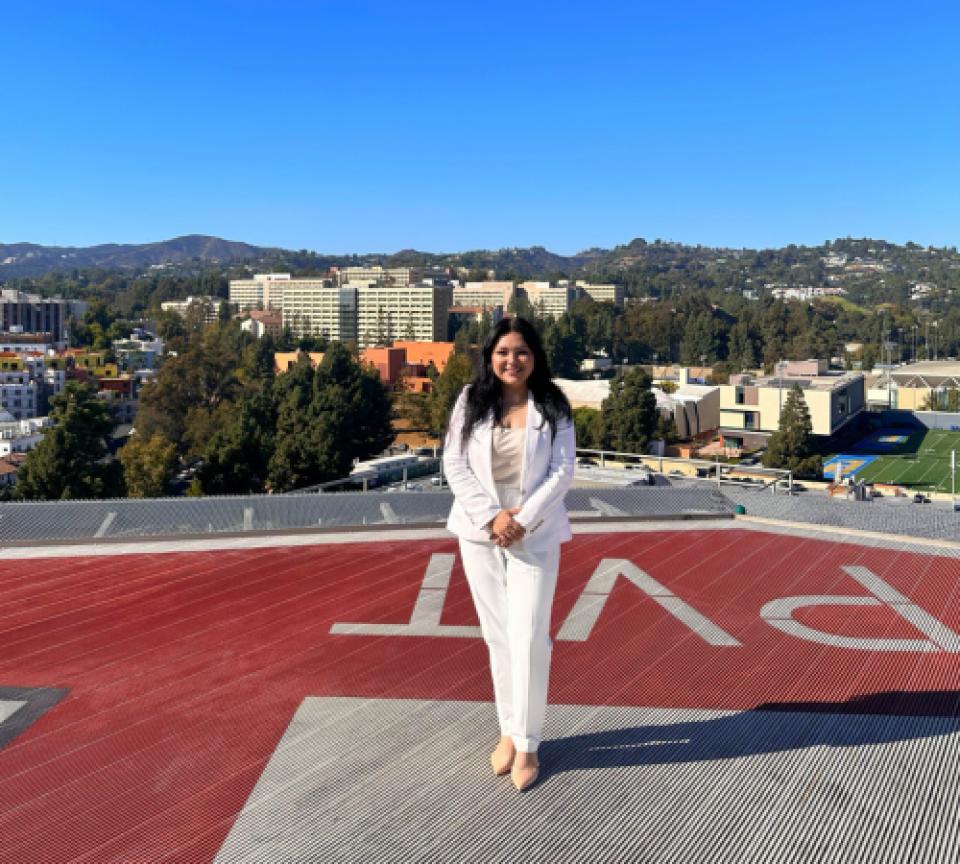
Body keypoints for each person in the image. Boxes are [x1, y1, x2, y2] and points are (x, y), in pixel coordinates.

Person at [443, 316, 575, 792]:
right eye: (503, 352)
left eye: (521, 352)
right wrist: (492, 518)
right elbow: (453, 463)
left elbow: (563, 471)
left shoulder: (553, 404)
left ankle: (529, 743)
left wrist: (522, 519)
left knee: (531, 638)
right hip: (480, 532)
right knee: (498, 637)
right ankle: (506, 729)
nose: (511, 360)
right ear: (490, 356)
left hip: (533, 535)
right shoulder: (470, 400)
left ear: (534, 357)